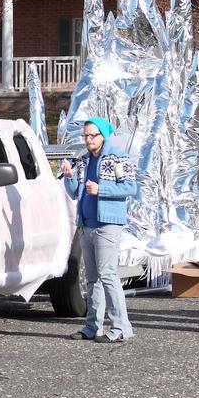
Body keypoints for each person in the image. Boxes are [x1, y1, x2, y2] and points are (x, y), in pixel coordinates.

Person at [59, 118, 137, 344]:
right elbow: (75, 193)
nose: (88, 140)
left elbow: (130, 187)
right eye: (85, 136)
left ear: (103, 135)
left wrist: (102, 189)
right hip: (87, 224)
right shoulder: (83, 160)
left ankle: (121, 326)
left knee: (108, 275)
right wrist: (69, 177)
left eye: (92, 135)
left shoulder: (117, 157)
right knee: (92, 279)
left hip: (107, 225)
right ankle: (93, 326)